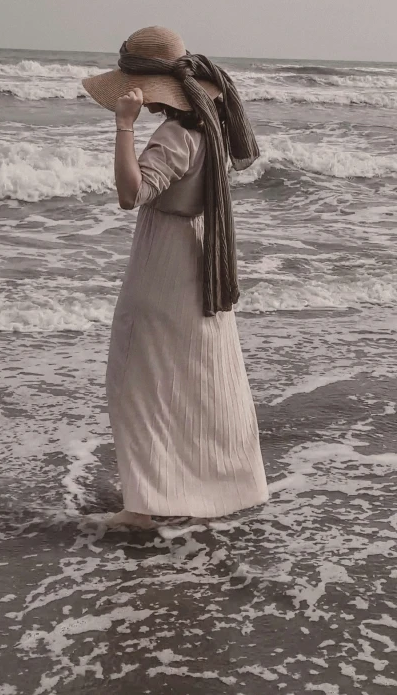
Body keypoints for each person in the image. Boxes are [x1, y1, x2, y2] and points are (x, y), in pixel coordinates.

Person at [82, 26, 269, 529]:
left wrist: (124, 125)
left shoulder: (173, 136)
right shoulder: (212, 128)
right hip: (201, 256)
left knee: (136, 379)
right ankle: (221, 487)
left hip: (164, 260)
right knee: (199, 376)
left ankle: (144, 507)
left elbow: (131, 194)